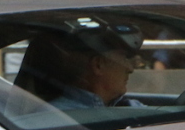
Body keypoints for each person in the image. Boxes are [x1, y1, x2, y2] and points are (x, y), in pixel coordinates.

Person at [15, 19, 146, 110]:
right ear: (98, 65)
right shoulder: (58, 118)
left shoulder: (130, 107)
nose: (130, 69)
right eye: (124, 57)